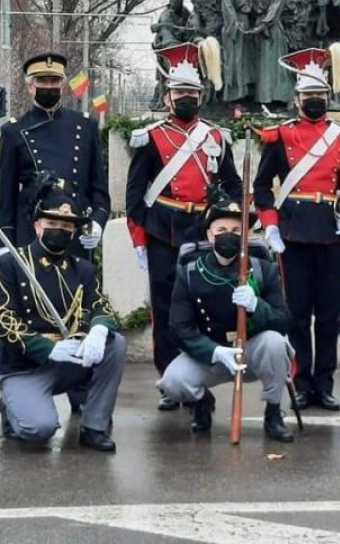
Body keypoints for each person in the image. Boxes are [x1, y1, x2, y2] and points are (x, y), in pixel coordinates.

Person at [125, 38, 242, 410]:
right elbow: (134, 193)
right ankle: (168, 380)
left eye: (192, 91)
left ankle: (197, 374)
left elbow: (233, 183)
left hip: (204, 231)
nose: (186, 97)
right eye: (179, 92)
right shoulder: (151, 137)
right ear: (168, 97)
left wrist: (232, 215)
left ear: (200, 95)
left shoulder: (215, 136)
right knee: (165, 307)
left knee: (203, 303)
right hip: (163, 230)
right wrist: (139, 240)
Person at [253, 44, 340, 411]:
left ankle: (326, 384)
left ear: (329, 96)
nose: (315, 100)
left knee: (330, 315)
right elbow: (261, 186)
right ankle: (302, 383)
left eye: (320, 94)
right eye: (308, 95)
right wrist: (270, 226)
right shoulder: (281, 136)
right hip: (292, 235)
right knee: (298, 314)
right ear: (297, 98)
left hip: (331, 234)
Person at [0, 181, 126, 451]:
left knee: (115, 344)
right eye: (52, 224)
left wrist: (98, 329)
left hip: (69, 360)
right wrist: (47, 348)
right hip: (24, 365)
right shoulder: (11, 265)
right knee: (40, 430)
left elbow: (101, 306)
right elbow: (0, 320)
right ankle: (12, 406)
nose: (59, 231)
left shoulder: (82, 269)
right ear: (37, 226)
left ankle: (93, 427)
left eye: (66, 226)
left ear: (74, 231)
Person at [156, 198, 295, 442]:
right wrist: (215, 351)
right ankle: (202, 402)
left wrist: (257, 306)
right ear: (209, 235)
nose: (227, 236)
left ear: (245, 236)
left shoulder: (263, 270)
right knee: (172, 382)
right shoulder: (189, 273)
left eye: (235, 231)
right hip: (213, 353)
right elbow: (179, 328)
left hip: (252, 351)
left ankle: (273, 412)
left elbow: (284, 321)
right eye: (221, 230)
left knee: (275, 343)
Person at [0, 53, 110, 256]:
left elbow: (98, 187)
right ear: (31, 86)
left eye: (55, 81)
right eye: (42, 81)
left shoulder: (85, 126)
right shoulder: (13, 131)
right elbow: (7, 197)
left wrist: (98, 223)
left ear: (62, 85)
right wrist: (6, 242)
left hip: (74, 229)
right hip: (32, 231)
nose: (49, 86)